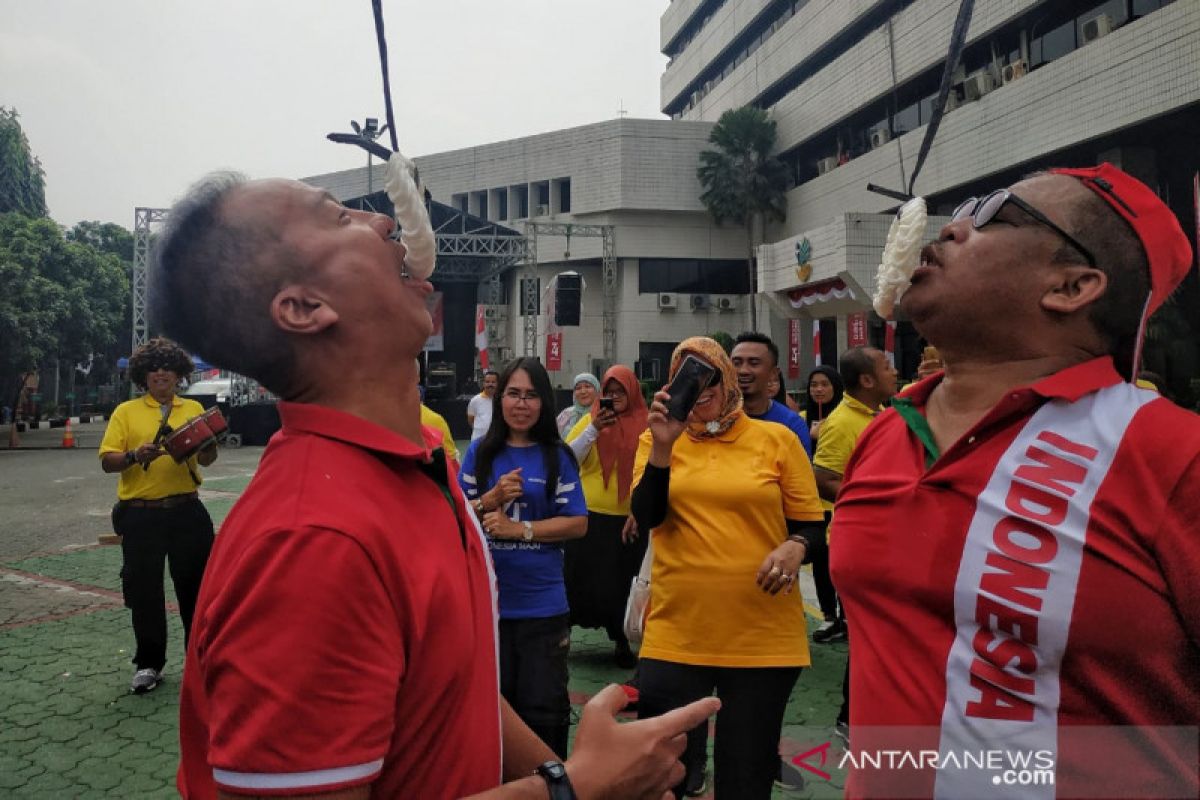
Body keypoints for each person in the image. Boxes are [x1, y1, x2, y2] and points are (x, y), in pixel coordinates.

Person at [151, 173, 719, 799]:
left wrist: (568, 778)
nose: (387, 222)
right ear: (306, 308)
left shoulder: (421, 466)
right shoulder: (311, 541)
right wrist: (577, 790)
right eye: (339, 219)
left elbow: (458, 684)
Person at [831, 164, 1198, 798]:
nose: (950, 228)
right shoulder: (883, 435)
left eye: (993, 213)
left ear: (1072, 285)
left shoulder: (1171, 455)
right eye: (962, 206)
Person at [630, 336, 826, 799]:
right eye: (685, 378)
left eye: (709, 377)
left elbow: (812, 528)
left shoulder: (777, 438)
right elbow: (647, 516)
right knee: (663, 772)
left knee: (746, 774)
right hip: (676, 631)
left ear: (726, 379)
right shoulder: (654, 439)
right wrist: (662, 447)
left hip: (762, 636)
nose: (699, 389)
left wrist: (795, 546)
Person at [458, 357, 589, 759]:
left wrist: (522, 530)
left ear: (544, 402)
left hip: (543, 610)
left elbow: (577, 523)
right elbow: (453, 519)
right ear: (499, 399)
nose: (521, 403)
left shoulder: (557, 455)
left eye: (531, 395)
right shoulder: (479, 454)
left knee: (544, 716)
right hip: (486, 609)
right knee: (488, 718)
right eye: (513, 393)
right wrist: (491, 500)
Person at [98, 337, 217, 695]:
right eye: (153, 368)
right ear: (142, 376)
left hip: (187, 511)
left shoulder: (194, 408)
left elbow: (207, 460)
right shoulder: (126, 412)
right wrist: (134, 455)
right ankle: (149, 664)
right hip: (141, 515)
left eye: (167, 367)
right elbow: (107, 461)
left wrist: (209, 445)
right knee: (144, 591)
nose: (160, 373)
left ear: (179, 374)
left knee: (197, 591)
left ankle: (200, 663)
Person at [562, 365, 649, 670]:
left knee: (622, 582)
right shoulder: (589, 420)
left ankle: (622, 640)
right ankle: (565, 634)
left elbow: (656, 471)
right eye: (609, 393)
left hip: (629, 520)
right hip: (588, 516)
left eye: (620, 392)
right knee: (578, 578)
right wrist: (595, 428)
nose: (614, 397)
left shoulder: (649, 426)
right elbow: (568, 458)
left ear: (633, 392)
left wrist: (642, 510)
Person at [731, 331, 812, 456]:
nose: (743, 370)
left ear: (773, 373)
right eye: (736, 363)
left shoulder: (791, 424)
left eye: (753, 363)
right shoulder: (716, 419)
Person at [556, 372, 600, 438]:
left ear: (597, 390)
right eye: (578, 388)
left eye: (587, 386)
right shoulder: (566, 414)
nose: (583, 391)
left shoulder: (602, 414)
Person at [468, 370, 498, 442]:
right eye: (487, 382)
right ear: (483, 383)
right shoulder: (475, 400)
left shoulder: (502, 400)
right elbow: (471, 420)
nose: (490, 384)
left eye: (493, 382)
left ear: (498, 384)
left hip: (497, 440)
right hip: (478, 439)